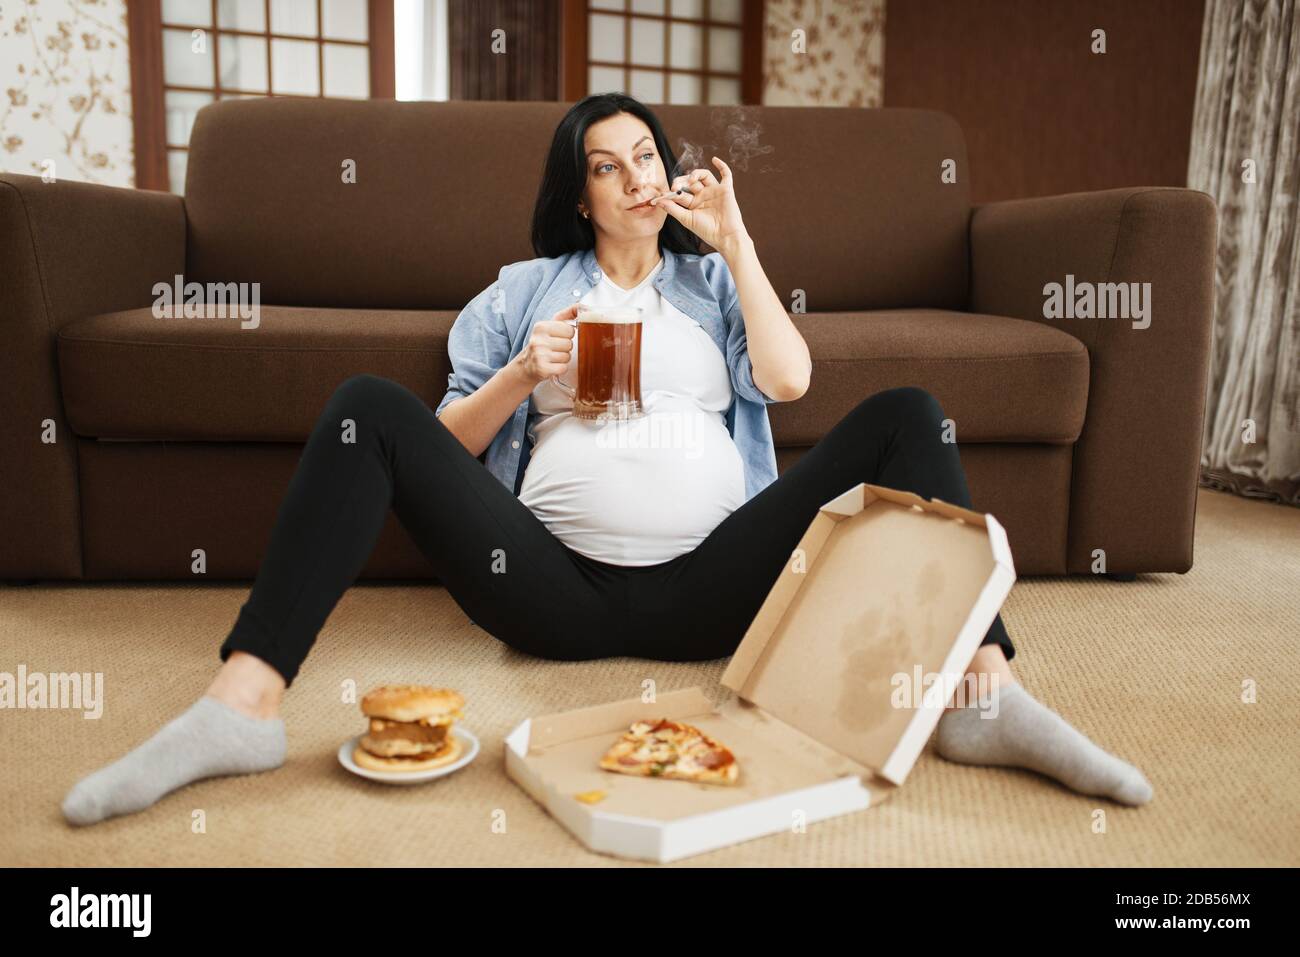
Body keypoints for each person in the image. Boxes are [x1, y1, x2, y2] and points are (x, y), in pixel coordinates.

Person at [61, 94, 1152, 827]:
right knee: (361, 409)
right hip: (548, 590)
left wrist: (740, 245)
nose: (633, 177)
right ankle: (241, 708)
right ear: (578, 195)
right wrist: (516, 381)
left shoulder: (713, 285)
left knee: (912, 410)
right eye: (605, 165)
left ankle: (981, 693)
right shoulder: (521, 291)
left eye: (646, 156)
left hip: (723, 592)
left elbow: (789, 385)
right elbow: (424, 459)